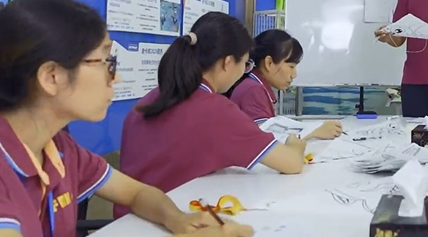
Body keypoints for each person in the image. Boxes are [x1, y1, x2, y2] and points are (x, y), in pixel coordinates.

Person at [0, 0, 252, 237]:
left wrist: (178, 220)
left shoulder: (55, 148)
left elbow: (137, 192)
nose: (117, 78)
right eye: (106, 62)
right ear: (52, 77)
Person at [117, 12, 308, 218]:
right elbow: (292, 163)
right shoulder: (216, 110)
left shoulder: (147, 101)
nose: (245, 71)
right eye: (245, 64)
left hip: (128, 223)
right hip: (174, 223)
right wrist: (295, 144)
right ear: (227, 62)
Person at [227, 29, 342, 139]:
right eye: (291, 66)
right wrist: (313, 132)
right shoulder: (253, 90)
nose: (294, 74)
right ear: (269, 63)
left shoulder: (254, 85)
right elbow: (264, 142)